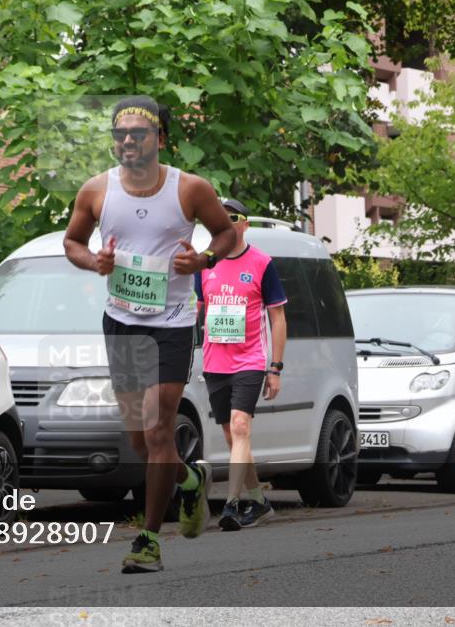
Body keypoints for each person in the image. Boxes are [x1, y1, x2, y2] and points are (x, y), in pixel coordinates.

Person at [63, 96, 237, 573]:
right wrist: (94, 261)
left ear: (160, 139)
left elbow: (226, 235)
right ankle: (188, 482)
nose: (128, 142)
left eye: (139, 134)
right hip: (120, 321)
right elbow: (73, 243)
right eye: (120, 134)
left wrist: (203, 260)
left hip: (172, 322)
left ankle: (148, 540)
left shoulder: (191, 189)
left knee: (160, 430)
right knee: (140, 441)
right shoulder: (96, 191)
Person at [193, 198, 287, 531]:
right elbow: (198, 311)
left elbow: (277, 317)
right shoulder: (206, 264)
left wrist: (275, 368)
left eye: (232, 217)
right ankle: (260, 503)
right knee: (234, 438)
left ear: (244, 223)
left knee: (240, 427)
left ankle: (232, 504)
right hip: (215, 361)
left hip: (250, 359)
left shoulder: (262, 263)